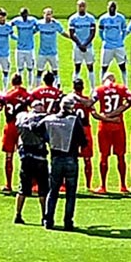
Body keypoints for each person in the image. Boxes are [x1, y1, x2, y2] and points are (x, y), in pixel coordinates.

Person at [41, 97, 86, 232]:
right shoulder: (74, 120)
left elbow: (35, 128)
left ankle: (49, 220)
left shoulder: (50, 119)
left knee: (53, 191)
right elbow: (83, 141)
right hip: (71, 158)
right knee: (70, 193)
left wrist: (48, 139)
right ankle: (68, 221)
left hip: (55, 158)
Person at [12, 91, 54, 225]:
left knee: (23, 188)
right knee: (43, 189)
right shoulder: (45, 120)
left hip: (25, 158)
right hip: (40, 157)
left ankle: (18, 214)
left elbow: (19, 116)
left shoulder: (21, 117)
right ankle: (44, 216)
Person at [89, 73, 131, 193]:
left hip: (104, 127)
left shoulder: (99, 90)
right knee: (121, 156)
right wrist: (114, 115)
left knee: (104, 156)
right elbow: (130, 101)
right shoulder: (121, 88)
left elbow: (90, 105)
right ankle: (123, 185)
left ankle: (103, 186)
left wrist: (105, 117)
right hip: (118, 125)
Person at [0, 72, 31, 190]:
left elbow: (0, 105)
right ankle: (28, 184)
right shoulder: (25, 93)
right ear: (21, 82)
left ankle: (8, 184)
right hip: (23, 126)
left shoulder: (7, 95)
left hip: (10, 126)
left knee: (9, 156)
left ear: (12, 83)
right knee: (27, 155)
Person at [67, 0, 99, 81]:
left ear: (86, 7)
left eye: (83, 6)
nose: (81, 8)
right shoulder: (73, 19)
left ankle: (92, 88)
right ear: (77, 7)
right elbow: (72, 34)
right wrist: (79, 44)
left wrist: (85, 44)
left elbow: (92, 33)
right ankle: (75, 85)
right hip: (77, 47)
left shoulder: (91, 18)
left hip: (88, 46)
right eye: (80, 6)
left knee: (90, 67)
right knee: (77, 66)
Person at [96, 1, 128, 79]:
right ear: (108, 7)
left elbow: (124, 30)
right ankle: (102, 85)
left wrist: (121, 39)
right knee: (104, 67)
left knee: (123, 66)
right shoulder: (103, 18)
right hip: (107, 46)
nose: (112, 9)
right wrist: (104, 40)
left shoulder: (121, 18)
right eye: (110, 7)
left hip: (119, 46)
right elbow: (100, 32)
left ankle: (125, 85)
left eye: (113, 7)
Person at [35, 7, 63, 82]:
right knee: (39, 72)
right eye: (46, 14)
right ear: (43, 15)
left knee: (55, 71)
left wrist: (72, 38)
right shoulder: (39, 24)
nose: (48, 16)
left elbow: (62, 32)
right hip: (42, 53)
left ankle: (56, 87)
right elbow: (33, 32)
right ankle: (37, 87)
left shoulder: (56, 24)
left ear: (52, 15)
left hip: (53, 53)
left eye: (49, 14)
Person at [13, 7, 39, 79]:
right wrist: (14, 36)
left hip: (30, 49)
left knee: (30, 69)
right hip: (20, 49)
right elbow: (8, 26)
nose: (24, 16)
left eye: (25, 15)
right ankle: (19, 86)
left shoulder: (33, 20)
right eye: (22, 15)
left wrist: (33, 32)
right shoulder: (17, 21)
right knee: (19, 69)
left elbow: (39, 26)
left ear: (27, 14)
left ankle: (30, 87)